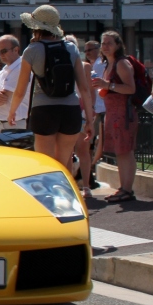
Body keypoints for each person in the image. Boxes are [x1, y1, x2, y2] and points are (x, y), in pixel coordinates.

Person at [8, 5, 93, 167]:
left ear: (36, 28)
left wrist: (12, 111)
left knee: (45, 164)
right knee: (63, 162)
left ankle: (48, 192)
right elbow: (84, 89)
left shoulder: (32, 50)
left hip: (44, 110)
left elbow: (21, 89)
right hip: (71, 110)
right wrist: (89, 120)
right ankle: (65, 191)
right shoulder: (71, 48)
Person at [91, 30, 138, 202]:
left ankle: (127, 189)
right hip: (112, 112)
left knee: (125, 151)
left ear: (118, 45)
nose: (105, 47)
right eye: (103, 43)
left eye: (109, 43)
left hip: (123, 113)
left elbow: (130, 88)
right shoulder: (108, 65)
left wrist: (107, 85)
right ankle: (123, 187)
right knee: (120, 152)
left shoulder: (121, 63)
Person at [64, 35, 95, 196]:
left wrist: (90, 112)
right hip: (67, 110)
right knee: (67, 151)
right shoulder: (62, 65)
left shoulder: (85, 66)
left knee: (83, 150)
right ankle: (71, 185)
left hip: (81, 111)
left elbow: (89, 91)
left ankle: (87, 186)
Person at [0, 35, 30, 134]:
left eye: (4, 51)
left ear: (16, 50)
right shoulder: (3, 71)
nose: (0, 55)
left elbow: (3, 98)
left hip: (15, 124)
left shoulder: (21, 69)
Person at [84, 39, 106, 186]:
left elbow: (92, 88)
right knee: (92, 142)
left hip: (99, 108)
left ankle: (90, 170)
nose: (87, 53)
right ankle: (89, 173)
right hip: (95, 108)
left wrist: (92, 108)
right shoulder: (91, 65)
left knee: (95, 142)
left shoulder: (99, 65)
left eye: (90, 50)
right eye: (85, 51)